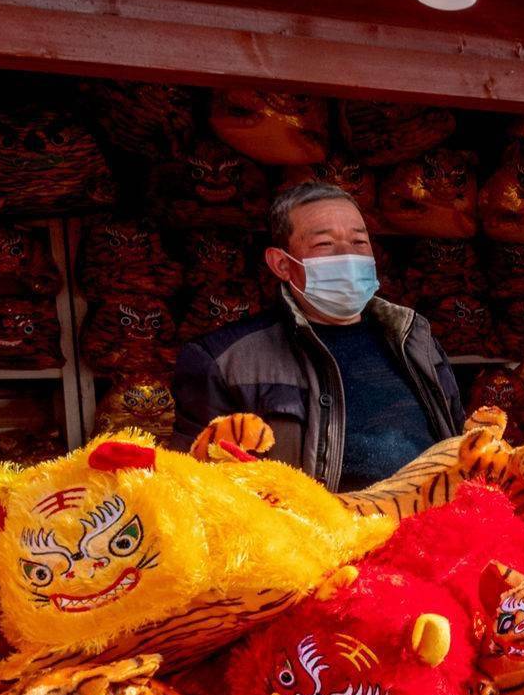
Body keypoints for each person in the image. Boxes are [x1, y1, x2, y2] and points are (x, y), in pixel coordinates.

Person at [172, 182, 464, 490]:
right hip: (312, 534)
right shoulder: (224, 360)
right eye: (324, 245)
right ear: (282, 263)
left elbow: (460, 442)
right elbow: (197, 488)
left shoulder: (414, 340)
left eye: (359, 242)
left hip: (429, 530)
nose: (349, 256)